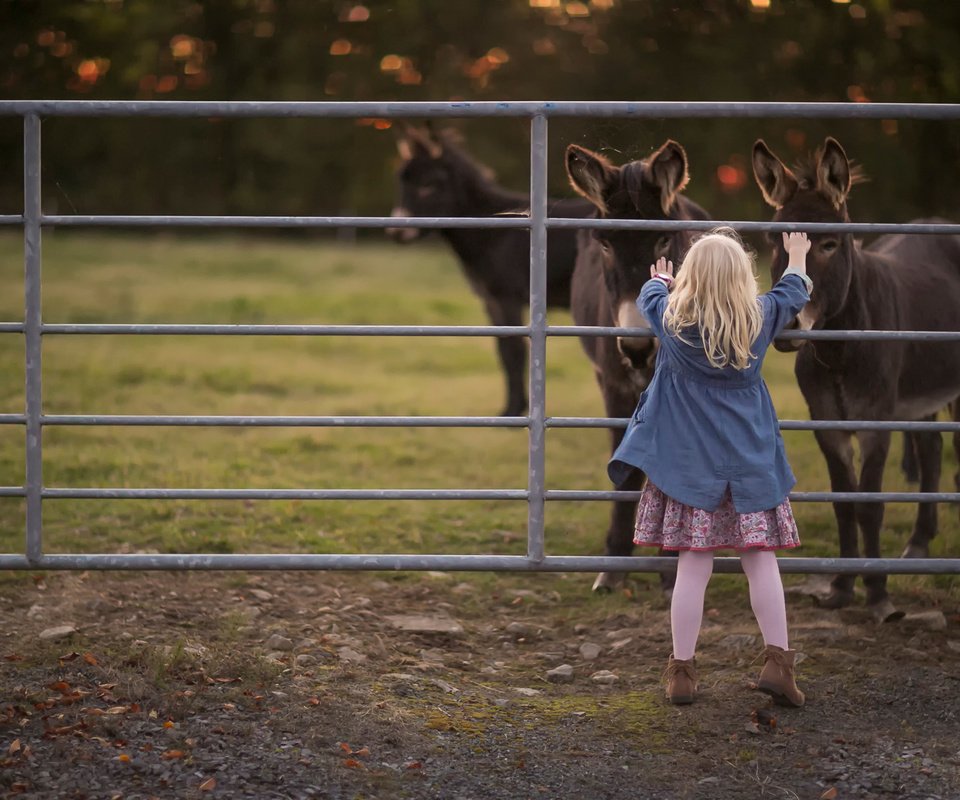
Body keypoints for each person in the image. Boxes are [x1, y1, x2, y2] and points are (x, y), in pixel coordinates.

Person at [608, 228, 812, 708]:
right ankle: (778, 664)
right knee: (760, 559)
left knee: (692, 565)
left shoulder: (672, 320)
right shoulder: (760, 316)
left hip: (689, 470)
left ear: (690, 279)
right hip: (749, 462)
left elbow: (649, 294)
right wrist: (797, 255)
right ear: (743, 277)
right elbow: (794, 289)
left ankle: (681, 673)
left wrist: (662, 278)